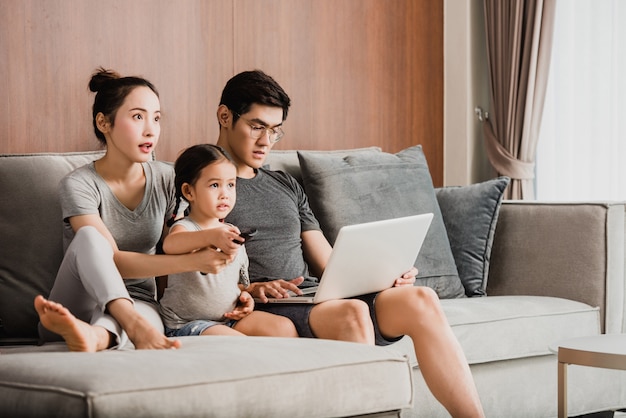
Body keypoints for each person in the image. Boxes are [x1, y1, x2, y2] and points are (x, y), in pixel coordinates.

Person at [216, 70, 485, 418]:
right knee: (353, 312)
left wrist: (384, 275)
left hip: (314, 297)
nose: (267, 140)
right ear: (225, 117)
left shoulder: (284, 184)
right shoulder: (204, 183)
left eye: (275, 130)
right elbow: (190, 269)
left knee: (420, 299)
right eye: (256, 126)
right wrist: (248, 288)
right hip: (269, 306)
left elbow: (327, 262)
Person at [34, 68, 237, 352]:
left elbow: (183, 241)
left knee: (147, 320)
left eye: (156, 118)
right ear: (104, 123)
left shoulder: (168, 178)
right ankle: (125, 323)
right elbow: (113, 261)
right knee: (90, 239)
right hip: (76, 302)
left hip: (141, 301)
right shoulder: (79, 184)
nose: (151, 130)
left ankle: (96, 337)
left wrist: (237, 294)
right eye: (138, 116)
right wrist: (195, 262)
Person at [159, 144, 297, 338]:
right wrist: (212, 236)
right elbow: (171, 244)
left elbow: (234, 284)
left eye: (231, 185)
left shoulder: (232, 232)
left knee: (283, 327)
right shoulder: (186, 228)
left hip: (229, 318)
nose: (225, 193)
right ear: (189, 192)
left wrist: (245, 296)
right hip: (187, 323)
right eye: (215, 185)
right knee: (234, 341)